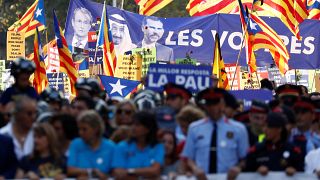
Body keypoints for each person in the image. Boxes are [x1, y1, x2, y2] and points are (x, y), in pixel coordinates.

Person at [182, 88, 249, 179]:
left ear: (222, 104)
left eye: (215, 103)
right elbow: (188, 157)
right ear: (205, 106)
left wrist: (238, 167)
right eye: (209, 104)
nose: (212, 108)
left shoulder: (238, 129)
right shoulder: (194, 128)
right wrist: (195, 168)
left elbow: (245, 158)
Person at [112, 111, 164, 179]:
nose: (133, 127)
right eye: (132, 124)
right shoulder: (122, 146)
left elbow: (155, 171)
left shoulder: (158, 147)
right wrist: (145, 173)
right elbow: (119, 173)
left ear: (147, 129)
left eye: (137, 125)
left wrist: (129, 171)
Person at [67, 110, 115, 179]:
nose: (80, 132)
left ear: (96, 129)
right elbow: (70, 170)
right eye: (79, 129)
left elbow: (115, 172)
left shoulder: (111, 147)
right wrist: (92, 171)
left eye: (84, 129)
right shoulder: (76, 144)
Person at [0, 96, 37, 160]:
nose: (33, 117)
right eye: (29, 113)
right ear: (17, 114)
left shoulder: (39, 132)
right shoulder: (2, 134)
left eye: (35, 113)